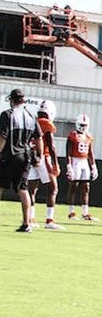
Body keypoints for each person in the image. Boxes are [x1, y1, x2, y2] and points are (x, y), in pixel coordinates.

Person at [0, 89, 41, 232]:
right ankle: (26, 223)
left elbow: (3, 137)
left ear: (12, 100)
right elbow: (38, 138)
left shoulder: (7, 114)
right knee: (23, 189)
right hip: (25, 156)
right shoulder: (31, 115)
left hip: (8, 156)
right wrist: (39, 156)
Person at [26, 99, 63, 230]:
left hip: (31, 157)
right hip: (43, 157)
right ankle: (49, 220)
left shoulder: (32, 121)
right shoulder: (46, 123)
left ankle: (30, 219)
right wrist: (56, 163)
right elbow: (51, 145)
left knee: (31, 190)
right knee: (53, 189)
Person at [65, 113, 97, 220]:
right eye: (81, 125)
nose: (83, 127)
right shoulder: (72, 135)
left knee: (86, 187)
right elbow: (68, 153)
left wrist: (93, 166)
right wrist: (69, 166)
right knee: (74, 186)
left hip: (84, 161)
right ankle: (71, 212)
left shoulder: (89, 136)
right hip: (75, 161)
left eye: (85, 125)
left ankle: (85, 213)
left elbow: (90, 152)